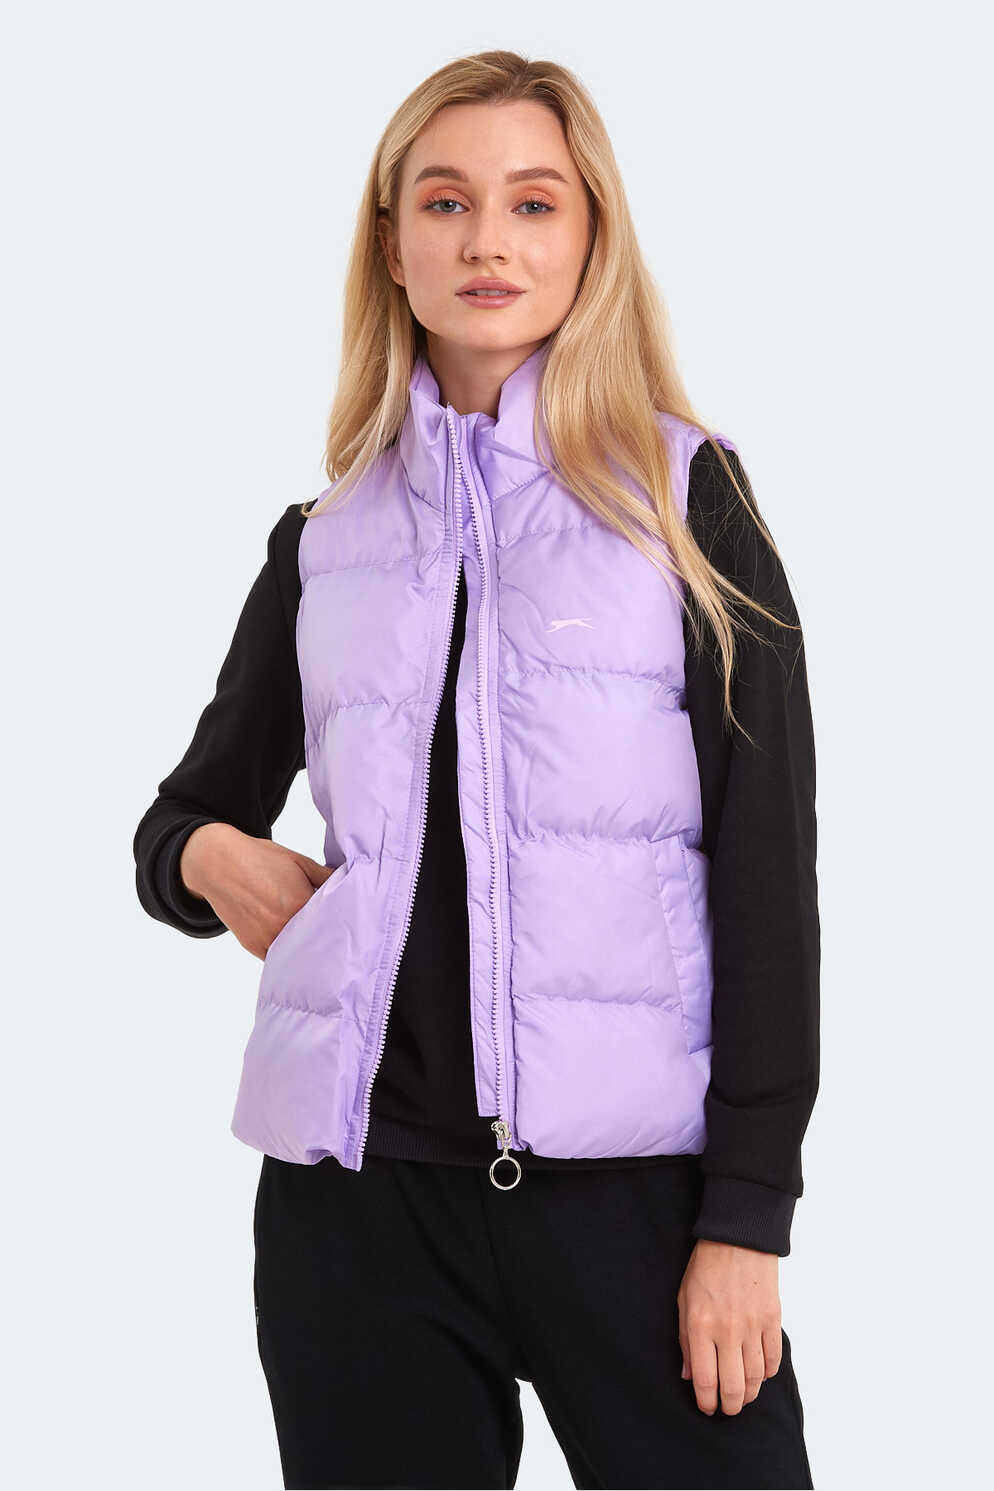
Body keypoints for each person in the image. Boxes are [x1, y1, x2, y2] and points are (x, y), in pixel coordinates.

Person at [133, 50, 819, 1491]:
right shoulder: (325, 538)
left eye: (533, 202)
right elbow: (180, 821)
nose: (487, 240)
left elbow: (767, 874)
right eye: (444, 203)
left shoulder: (688, 505)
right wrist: (207, 858)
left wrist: (746, 1218)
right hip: (357, 1213)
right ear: (392, 245)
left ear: (590, 237)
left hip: (634, 1206)